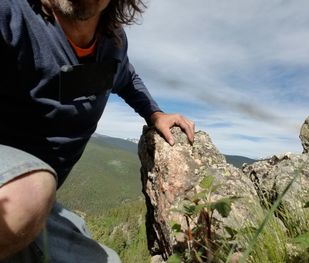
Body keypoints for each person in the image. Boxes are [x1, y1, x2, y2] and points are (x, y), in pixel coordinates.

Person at [0, 0, 195, 262]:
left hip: (40, 206)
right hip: (19, 190)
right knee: (28, 193)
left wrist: (155, 114)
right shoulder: (12, 14)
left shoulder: (112, 43)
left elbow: (126, 78)